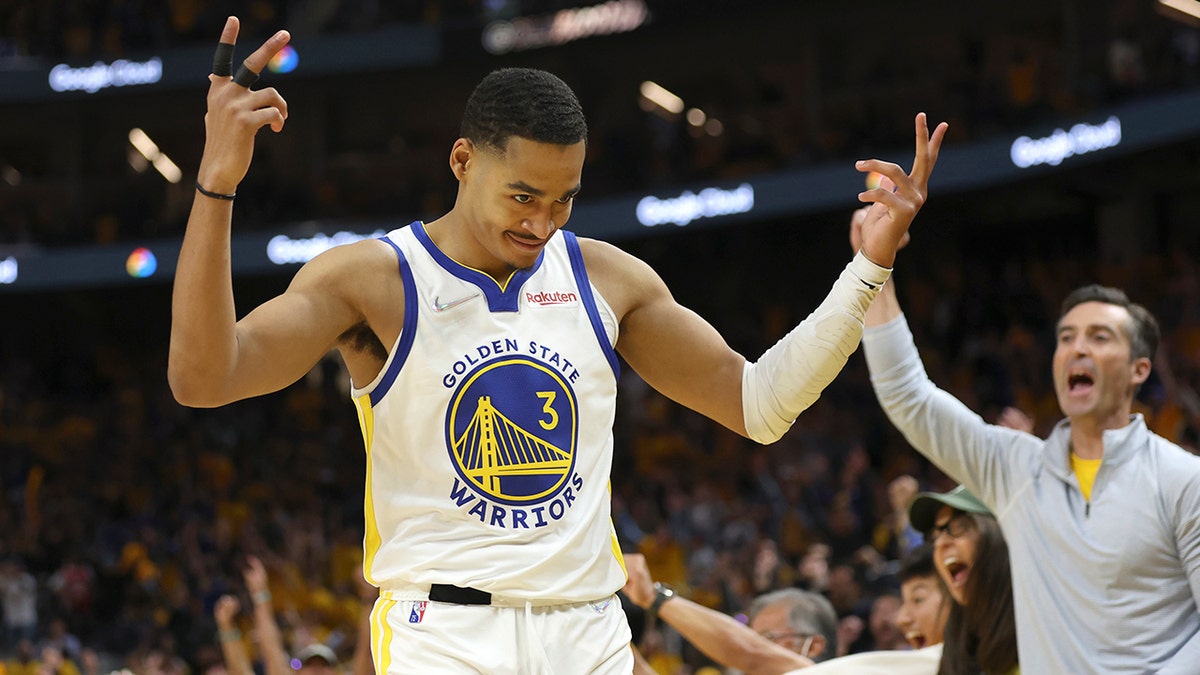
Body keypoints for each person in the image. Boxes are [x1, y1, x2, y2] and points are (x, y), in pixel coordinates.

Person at [168, 16, 947, 673]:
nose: (541, 223)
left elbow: (762, 404)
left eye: (563, 199)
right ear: (463, 160)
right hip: (444, 635)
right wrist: (217, 181)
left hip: (590, 631)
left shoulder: (607, 279)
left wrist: (868, 267)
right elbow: (204, 377)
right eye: (522, 196)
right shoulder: (372, 279)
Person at [855, 205, 1200, 672]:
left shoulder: (1183, 481)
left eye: (1099, 337)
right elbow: (908, 396)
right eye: (1066, 337)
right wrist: (874, 268)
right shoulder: (1015, 470)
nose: (1077, 348)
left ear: (1140, 369)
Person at [908, 486, 1017, 675]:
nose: (942, 543)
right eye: (935, 535)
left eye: (959, 527)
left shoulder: (1041, 628)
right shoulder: (960, 646)